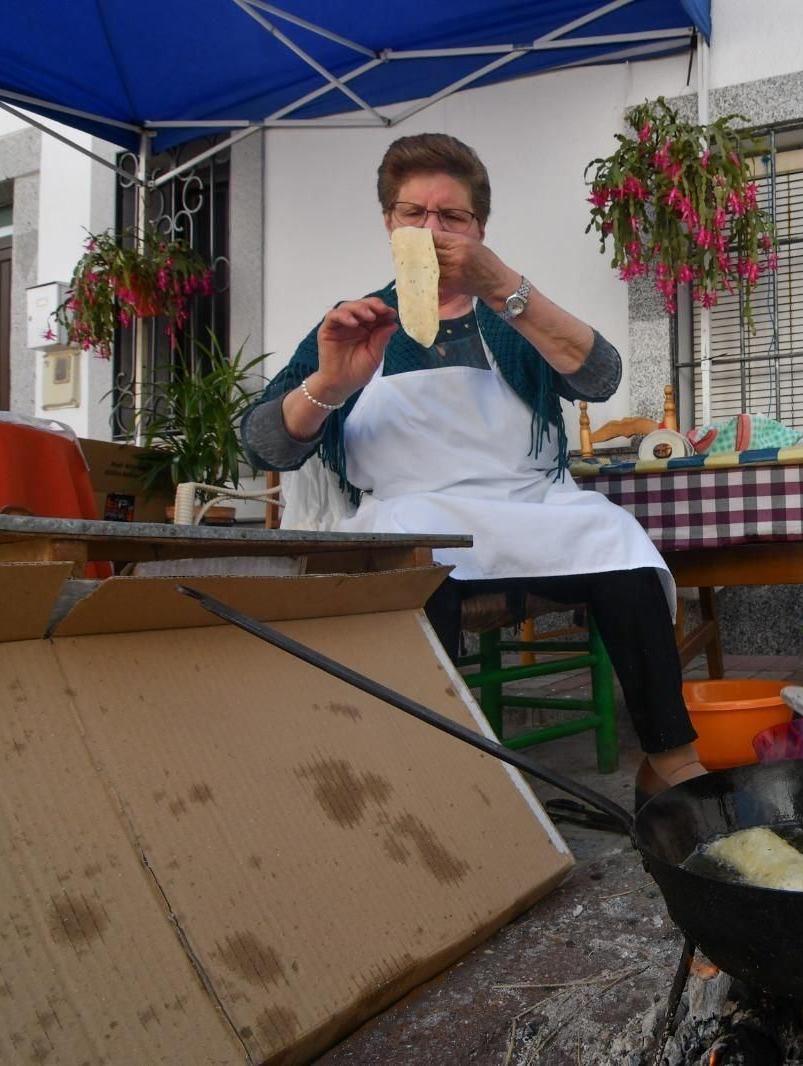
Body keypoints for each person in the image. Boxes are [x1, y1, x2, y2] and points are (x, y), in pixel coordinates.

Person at [241, 132, 704, 806]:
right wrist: (330, 384)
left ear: (479, 228)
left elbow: (601, 376)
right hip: (416, 510)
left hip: (531, 505)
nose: (432, 230)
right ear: (389, 223)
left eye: (452, 216)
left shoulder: (512, 313)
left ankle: (670, 758)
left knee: (620, 542)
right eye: (413, 213)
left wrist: (507, 288)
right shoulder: (358, 321)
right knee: (418, 552)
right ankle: (433, 769)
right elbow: (265, 446)